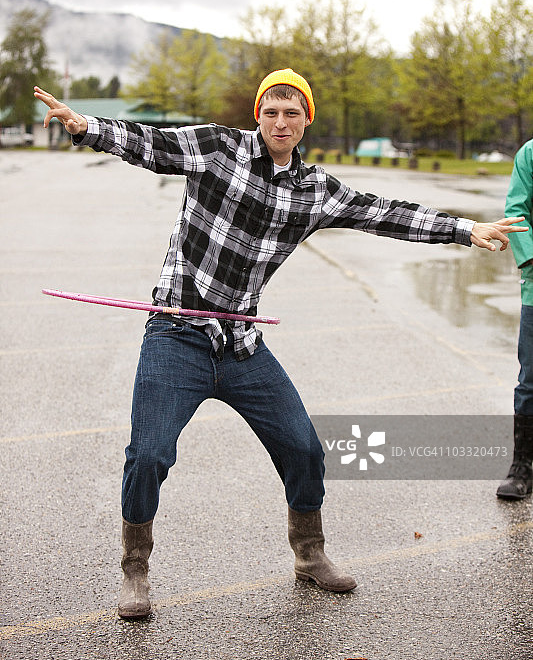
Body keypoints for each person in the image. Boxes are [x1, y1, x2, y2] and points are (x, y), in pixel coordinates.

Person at [34, 70, 527, 619]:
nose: (280, 122)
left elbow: (382, 212)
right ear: (258, 116)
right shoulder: (216, 149)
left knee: (305, 449)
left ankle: (309, 554)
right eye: (271, 111)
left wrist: (463, 229)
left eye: (292, 113)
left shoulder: (316, 191)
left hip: (242, 344)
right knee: (148, 454)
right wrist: (86, 127)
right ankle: (135, 570)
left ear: (306, 120)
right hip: (176, 334)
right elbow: (150, 143)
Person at [496, 140, 533, 500]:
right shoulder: (530, 154)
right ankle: (523, 466)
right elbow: (516, 211)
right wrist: (531, 259)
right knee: (530, 381)